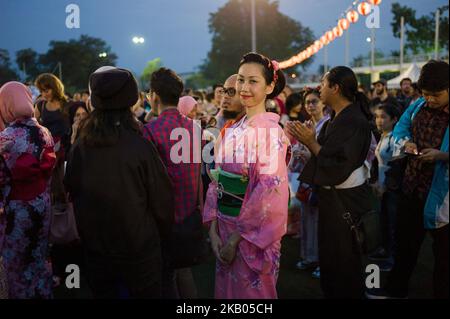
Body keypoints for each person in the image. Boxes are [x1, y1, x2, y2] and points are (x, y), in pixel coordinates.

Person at [64, 67, 174, 299]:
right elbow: (162, 200)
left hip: (97, 250)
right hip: (139, 251)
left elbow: (71, 188)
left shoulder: (80, 147)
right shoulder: (140, 145)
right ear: (131, 100)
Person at [204, 52, 290, 299]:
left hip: (249, 236)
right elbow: (217, 180)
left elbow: (269, 193)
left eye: (253, 81)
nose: (244, 88)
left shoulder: (271, 133)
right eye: (241, 80)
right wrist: (213, 231)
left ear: (270, 86)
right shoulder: (233, 130)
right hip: (224, 228)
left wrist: (235, 240)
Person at [368, 60, 449, 299]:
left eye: (436, 95)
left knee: (444, 257)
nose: (430, 99)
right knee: (404, 246)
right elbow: (401, 130)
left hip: (443, 196)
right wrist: (406, 143)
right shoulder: (417, 105)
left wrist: (443, 156)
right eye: (425, 94)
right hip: (412, 187)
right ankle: (395, 289)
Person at [291, 66, 374, 298]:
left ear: (335, 88)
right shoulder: (337, 117)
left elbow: (339, 164)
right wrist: (309, 143)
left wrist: (311, 142)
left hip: (344, 201)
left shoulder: (353, 120)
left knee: (343, 259)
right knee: (331, 257)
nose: (320, 87)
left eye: (323, 83)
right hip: (333, 198)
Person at [143, 68, 202, 299]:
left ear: (154, 95)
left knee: (165, 277)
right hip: (189, 212)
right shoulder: (194, 127)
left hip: (164, 216)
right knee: (183, 272)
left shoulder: (150, 130)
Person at [0, 82, 56, 299]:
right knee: (39, 260)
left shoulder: (6, 138)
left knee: (17, 266)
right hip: (42, 204)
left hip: (17, 211)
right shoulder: (45, 132)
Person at [286, 88, 331, 279]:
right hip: (306, 180)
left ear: (323, 103)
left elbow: (328, 154)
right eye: (308, 103)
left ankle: (324, 262)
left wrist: (308, 153)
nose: (311, 105)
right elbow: (297, 153)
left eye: (314, 101)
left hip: (322, 180)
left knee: (323, 224)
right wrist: (296, 154)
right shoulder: (306, 125)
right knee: (307, 220)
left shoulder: (329, 124)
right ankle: (309, 257)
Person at [371, 103, 401, 271]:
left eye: (383, 117)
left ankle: (392, 260)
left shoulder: (396, 138)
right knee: (384, 220)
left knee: (392, 224)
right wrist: (376, 181)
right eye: (377, 117)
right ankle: (385, 251)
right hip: (382, 185)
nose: (379, 121)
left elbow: (397, 165)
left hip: (392, 188)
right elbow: (378, 162)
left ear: (394, 119)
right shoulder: (383, 135)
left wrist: (385, 186)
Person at [34, 73, 70, 206]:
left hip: (63, 150)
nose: (44, 94)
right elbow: (33, 125)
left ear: (55, 87)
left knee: (61, 181)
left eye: (46, 90)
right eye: (41, 91)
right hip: (46, 150)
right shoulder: (41, 105)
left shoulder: (66, 104)